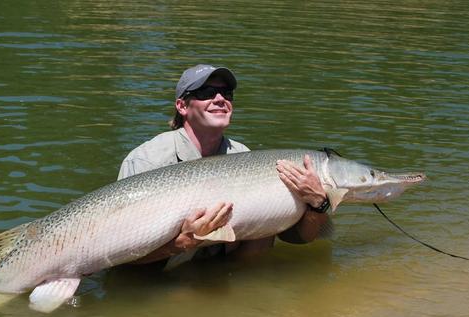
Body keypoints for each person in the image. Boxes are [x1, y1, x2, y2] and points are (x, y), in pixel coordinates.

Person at [118, 64, 329, 266]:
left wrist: (318, 203)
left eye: (227, 93)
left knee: (264, 231)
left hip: (224, 271)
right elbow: (119, 258)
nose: (220, 99)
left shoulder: (242, 155)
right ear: (182, 106)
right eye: (206, 92)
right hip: (157, 277)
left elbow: (298, 238)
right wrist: (182, 243)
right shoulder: (146, 161)